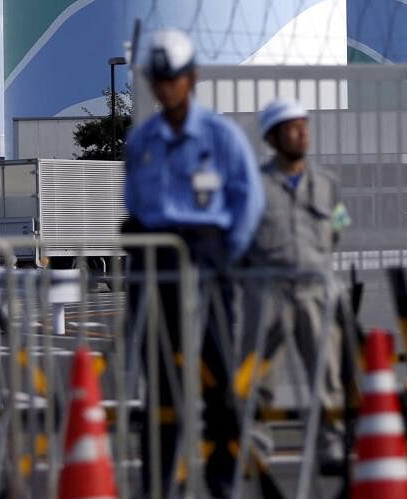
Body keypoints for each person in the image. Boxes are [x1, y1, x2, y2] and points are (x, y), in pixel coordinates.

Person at [122, 28, 264, 496]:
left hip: (208, 261)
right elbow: (136, 205)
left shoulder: (221, 137)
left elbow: (248, 200)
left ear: (192, 78)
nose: (165, 87)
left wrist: (226, 255)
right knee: (160, 385)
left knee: (219, 381)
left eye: (174, 77)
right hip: (156, 266)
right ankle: (160, 485)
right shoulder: (142, 141)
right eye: (158, 78)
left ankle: (223, 482)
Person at [242, 98, 350, 469]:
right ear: (273, 137)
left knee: (326, 371)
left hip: (315, 290)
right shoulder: (254, 186)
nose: (302, 133)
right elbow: (242, 237)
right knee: (257, 372)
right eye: (292, 127)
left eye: (304, 125)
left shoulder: (328, 183)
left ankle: (331, 445)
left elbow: (337, 229)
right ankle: (254, 443)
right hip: (267, 292)